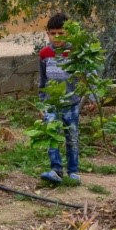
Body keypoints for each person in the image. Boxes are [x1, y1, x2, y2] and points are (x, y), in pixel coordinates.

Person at [38, 12, 86, 185]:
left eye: (61, 33)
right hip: (52, 104)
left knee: (71, 137)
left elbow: (88, 74)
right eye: (53, 33)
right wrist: (41, 103)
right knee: (52, 135)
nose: (56, 37)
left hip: (71, 104)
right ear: (48, 34)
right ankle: (56, 170)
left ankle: (73, 171)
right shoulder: (44, 54)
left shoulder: (75, 53)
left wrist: (93, 96)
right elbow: (43, 80)